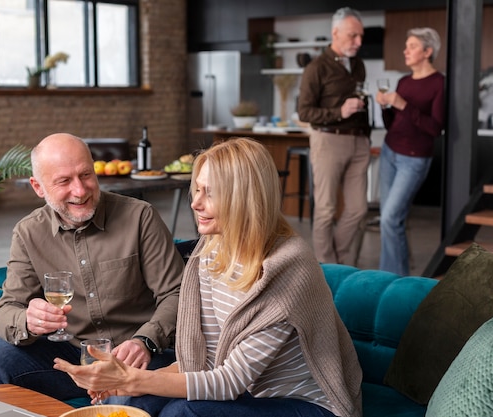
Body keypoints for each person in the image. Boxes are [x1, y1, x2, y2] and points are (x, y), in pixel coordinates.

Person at [54, 138, 363, 417]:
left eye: (210, 194)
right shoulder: (211, 251)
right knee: (130, 405)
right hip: (247, 393)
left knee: (183, 413)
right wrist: (122, 386)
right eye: (197, 189)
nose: (195, 203)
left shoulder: (286, 268)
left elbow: (229, 381)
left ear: (245, 199)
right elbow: (204, 360)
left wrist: (135, 379)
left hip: (305, 404)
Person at [0, 133, 183, 401]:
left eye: (86, 175)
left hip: (136, 357)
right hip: (69, 359)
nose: (80, 191)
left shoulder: (140, 217)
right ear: (38, 187)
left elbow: (177, 293)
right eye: (64, 181)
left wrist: (146, 341)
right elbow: (6, 311)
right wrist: (28, 321)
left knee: (123, 398)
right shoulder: (28, 233)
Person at [297, 7, 371, 265]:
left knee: (359, 209)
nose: (358, 42)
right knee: (326, 210)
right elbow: (304, 111)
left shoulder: (359, 65)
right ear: (335, 33)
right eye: (353, 36)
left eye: (360, 36)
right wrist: (339, 111)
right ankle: (326, 271)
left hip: (359, 142)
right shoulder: (316, 67)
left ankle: (338, 261)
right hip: (328, 141)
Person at [375, 28, 446, 275]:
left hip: (413, 160)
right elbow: (392, 123)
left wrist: (402, 104)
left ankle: (390, 277)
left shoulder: (439, 83)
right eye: (406, 45)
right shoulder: (403, 81)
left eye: (412, 46)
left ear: (428, 52)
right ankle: (397, 275)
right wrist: (385, 106)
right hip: (389, 152)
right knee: (390, 220)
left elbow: (435, 128)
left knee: (389, 219)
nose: (406, 50)